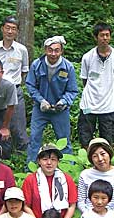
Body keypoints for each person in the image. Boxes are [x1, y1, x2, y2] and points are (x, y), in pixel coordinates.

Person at [25, 36, 78, 165]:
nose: (53, 54)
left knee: (64, 140)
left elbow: (72, 90)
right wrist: (40, 100)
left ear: (61, 51)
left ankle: (67, 169)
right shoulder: (37, 65)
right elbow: (30, 85)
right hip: (40, 110)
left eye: (57, 50)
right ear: (45, 50)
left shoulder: (68, 67)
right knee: (34, 139)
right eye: (50, 50)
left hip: (60, 111)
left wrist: (63, 102)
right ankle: (31, 168)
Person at [77, 23, 114, 148]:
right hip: (88, 105)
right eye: (102, 35)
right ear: (96, 37)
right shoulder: (87, 57)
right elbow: (85, 81)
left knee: (108, 139)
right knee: (85, 137)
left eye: (107, 35)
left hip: (108, 106)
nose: (105, 38)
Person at [0, 15, 30, 152]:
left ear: (17, 32)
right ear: (2, 29)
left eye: (13, 29)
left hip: (15, 91)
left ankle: (23, 158)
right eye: (7, 28)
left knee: (19, 128)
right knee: (1, 126)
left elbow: (24, 71)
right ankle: (4, 157)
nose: (10, 32)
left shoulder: (22, 50)